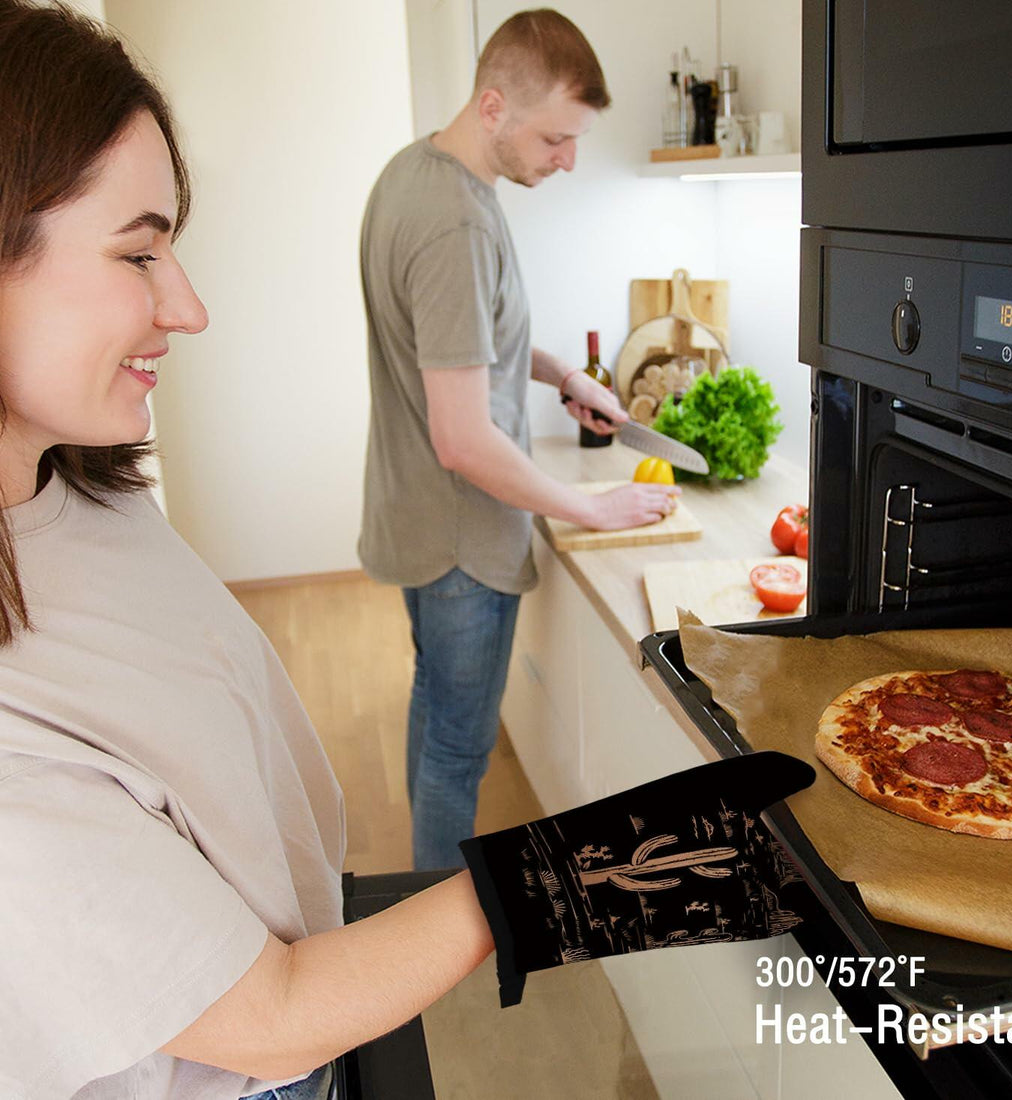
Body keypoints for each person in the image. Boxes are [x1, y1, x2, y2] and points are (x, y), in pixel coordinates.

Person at [0, 3, 494, 1097]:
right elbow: (265, 1019)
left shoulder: (87, 495)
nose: (189, 305)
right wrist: (561, 877)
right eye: (139, 250)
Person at [358, 9, 680, 871]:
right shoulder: (455, 222)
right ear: (494, 106)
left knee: (435, 721)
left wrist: (562, 376)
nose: (568, 160)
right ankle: (433, 928)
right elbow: (462, 438)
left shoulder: (414, 174)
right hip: (463, 538)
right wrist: (592, 507)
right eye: (557, 138)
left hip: (418, 519)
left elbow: (465, 341)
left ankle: (418, 903)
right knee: (459, 754)